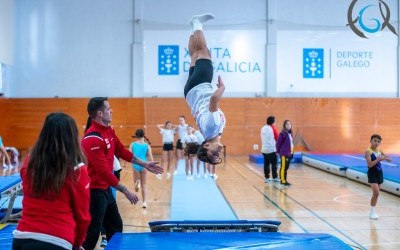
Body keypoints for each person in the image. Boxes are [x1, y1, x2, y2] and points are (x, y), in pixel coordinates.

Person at [81, 97, 163, 250]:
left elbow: (122, 151)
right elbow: (104, 172)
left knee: (115, 226)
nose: (111, 110)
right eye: (108, 108)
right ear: (100, 113)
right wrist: (125, 190)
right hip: (94, 192)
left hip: (105, 189)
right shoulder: (92, 138)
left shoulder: (109, 130)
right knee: (92, 235)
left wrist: (145, 164)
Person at [12, 112, 90, 250]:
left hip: (22, 238)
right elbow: (83, 217)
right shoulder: (77, 169)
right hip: (57, 240)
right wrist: (77, 243)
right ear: (72, 137)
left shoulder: (30, 162)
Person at [184, 13, 226, 165]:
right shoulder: (210, 132)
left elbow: (214, 99)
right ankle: (191, 27)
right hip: (190, 92)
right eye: (217, 156)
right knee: (194, 55)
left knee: (203, 51)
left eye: (213, 153)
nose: (218, 152)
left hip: (200, 86)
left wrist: (222, 88)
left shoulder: (213, 127)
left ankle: (197, 23)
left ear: (207, 145)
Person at [364, 134, 391, 220]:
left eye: (378, 141)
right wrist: (379, 159)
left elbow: (388, 158)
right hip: (372, 172)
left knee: (376, 195)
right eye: (375, 140)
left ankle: (373, 212)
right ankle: (371, 213)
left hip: (379, 173)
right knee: (376, 193)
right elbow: (370, 164)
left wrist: (386, 158)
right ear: (370, 141)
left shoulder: (379, 151)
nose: (376, 143)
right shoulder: (368, 151)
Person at [129, 129, 154, 208]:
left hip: (135, 165)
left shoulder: (132, 144)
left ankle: (138, 183)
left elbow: (128, 155)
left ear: (136, 135)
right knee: (144, 185)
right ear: (143, 135)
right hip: (144, 165)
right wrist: (152, 166)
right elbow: (151, 158)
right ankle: (144, 202)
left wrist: (126, 163)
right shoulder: (147, 146)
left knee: (137, 187)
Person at [261, 116, 279, 183]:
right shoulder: (273, 128)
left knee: (266, 164)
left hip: (264, 150)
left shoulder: (263, 128)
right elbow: (278, 138)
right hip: (271, 149)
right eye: (275, 121)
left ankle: (267, 177)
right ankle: (275, 177)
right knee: (274, 164)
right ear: (273, 122)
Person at [276, 120, 294, 186]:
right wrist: (278, 152)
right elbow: (278, 143)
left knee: (286, 167)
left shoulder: (290, 134)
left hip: (289, 153)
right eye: (287, 124)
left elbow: (291, 144)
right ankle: (282, 181)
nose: (288, 125)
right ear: (284, 125)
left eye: (289, 124)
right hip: (284, 154)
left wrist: (292, 153)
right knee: (283, 167)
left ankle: (285, 180)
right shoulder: (282, 134)